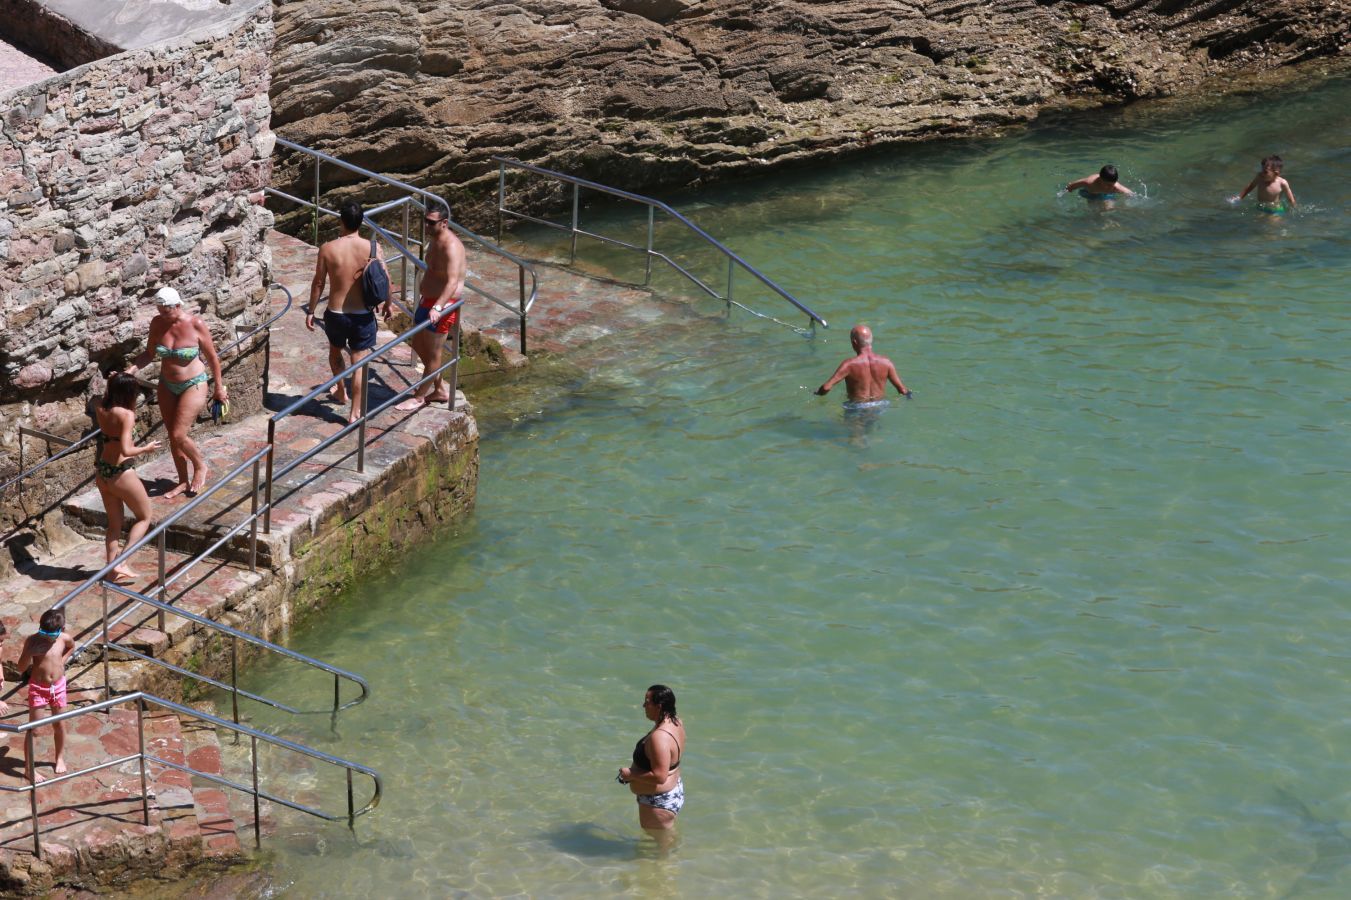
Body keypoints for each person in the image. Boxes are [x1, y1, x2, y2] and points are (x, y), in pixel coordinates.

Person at [125, 287, 227, 498]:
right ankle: (182, 481)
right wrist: (132, 370)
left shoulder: (195, 324)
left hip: (194, 383)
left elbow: (212, 358)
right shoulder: (157, 323)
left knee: (179, 434)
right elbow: (150, 353)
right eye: (159, 310)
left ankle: (200, 466)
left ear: (178, 306)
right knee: (173, 436)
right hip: (167, 384)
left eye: (166, 311)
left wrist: (219, 388)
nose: (162, 315)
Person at [307, 201, 385, 423]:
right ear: (361, 222)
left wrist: (311, 311)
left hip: (336, 313)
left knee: (335, 354)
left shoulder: (328, 248)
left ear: (340, 221)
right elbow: (384, 278)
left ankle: (341, 391)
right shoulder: (373, 248)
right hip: (363, 315)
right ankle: (355, 412)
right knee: (358, 363)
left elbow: (319, 283)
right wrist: (388, 303)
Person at [393, 206, 465, 412]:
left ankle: (418, 397)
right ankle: (440, 389)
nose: (426, 225)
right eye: (425, 220)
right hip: (429, 301)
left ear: (444, 223)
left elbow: (452, 282)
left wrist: (438, 307)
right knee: (417, 343)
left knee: (434, 355)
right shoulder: (434, 239)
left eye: (431, 222)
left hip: (444, 305)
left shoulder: (451, 246)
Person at [94, 373, 162, 584]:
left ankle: (110, 569)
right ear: (129, 393)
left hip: (102, 471)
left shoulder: (100, 406)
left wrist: (120, 376)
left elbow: (105, 388)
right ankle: (122, 562)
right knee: (144, 517)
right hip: (120, 472)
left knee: (114, 525)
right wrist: (146, 448)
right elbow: (126, 449)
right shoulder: (126, 415)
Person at [617, 684, 686, 835]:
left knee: (659, 847)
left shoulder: (659, 737)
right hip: (672, 793)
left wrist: (631, 775)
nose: (644, 706)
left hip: (658, 802)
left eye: (647, 702)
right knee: (665, 841)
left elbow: (660, 777)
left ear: (659, 706)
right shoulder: (676, 722)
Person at [16, 608, 75, 782]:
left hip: (58, 687)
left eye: (51, 635)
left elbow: (71, 647)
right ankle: (29, 769)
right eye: (44, 633)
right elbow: (20, 668)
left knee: (59, 724)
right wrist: (29, 653)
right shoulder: (32, 641)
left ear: (61, 630)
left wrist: (62, 661)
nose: (47, 638)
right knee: (35, 730)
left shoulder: (64, 638)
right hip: (38, 688)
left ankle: (59, 757)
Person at [815, 324, 911, 405]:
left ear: (854, 342)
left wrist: (816, 394)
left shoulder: (849, 365)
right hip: (880, 405)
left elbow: (826, 387)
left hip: (857, 406)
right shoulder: (886, 362)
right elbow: (902, 390)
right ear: (871, 340)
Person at [1232, 154, 1297, 215]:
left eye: (1265, 171)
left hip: (1275, 209)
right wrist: (1239, 197)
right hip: (1261, 207)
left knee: (1273, 224)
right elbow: (1250, 187)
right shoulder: (1260, 177)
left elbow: (1290, 198)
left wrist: (1294, 207)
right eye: (1262, 169)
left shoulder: (1282, 183)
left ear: (1276, 173)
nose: (1262, 173)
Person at [1066, 165, 1135, 202]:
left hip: (1106, 195)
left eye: (1113, 184)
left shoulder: (1115, 186)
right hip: (1090, 193)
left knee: (1109, 209)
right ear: (1100, 179)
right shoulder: (1089, 182)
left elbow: (1130, 193)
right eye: (1108, 185)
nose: (1111, 187)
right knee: (1094, 210)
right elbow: (1072, 185)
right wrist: (1069, 188)